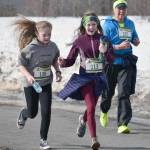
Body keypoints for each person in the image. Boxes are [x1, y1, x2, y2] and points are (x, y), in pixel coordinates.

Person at [58, 11, 114, 150]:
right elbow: (71, 60)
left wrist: (105, 51)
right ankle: (94, 140)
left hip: (99, 79)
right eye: (89, 24)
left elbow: (111, 60)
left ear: (97, 25)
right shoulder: (79, 41)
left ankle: (83, 120)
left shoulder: (104, 39)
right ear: (84, 25)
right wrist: (63, 62)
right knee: (91, 107)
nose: (91, 27)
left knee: (91, 108)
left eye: (94, 24)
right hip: (85, 78)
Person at [14, 18, 62, 150]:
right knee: (33, 112)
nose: (47, 37)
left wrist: (57, 71)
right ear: (37, 34)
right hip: (31, 84)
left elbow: (55, 60)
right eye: (44, 35)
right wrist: (29, 76)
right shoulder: (30, 48)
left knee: (46, 111)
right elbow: (20, 65)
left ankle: (43, 140)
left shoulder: (53, 46)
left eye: (49, 34)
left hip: (45, 83)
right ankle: (25, 113)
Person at [99, 0, 140, 134]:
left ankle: (122, 124)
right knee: (108, 93)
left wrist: (136, 41)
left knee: (124, 92)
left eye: (124, 8)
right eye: (119, 8)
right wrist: (117, 47)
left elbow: (135, 39)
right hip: (111, 63)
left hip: (126, 63)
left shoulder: (130, 23)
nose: (121, 11)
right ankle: (104, 111)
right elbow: (103, 47)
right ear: (114, 10)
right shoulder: (107, 25)